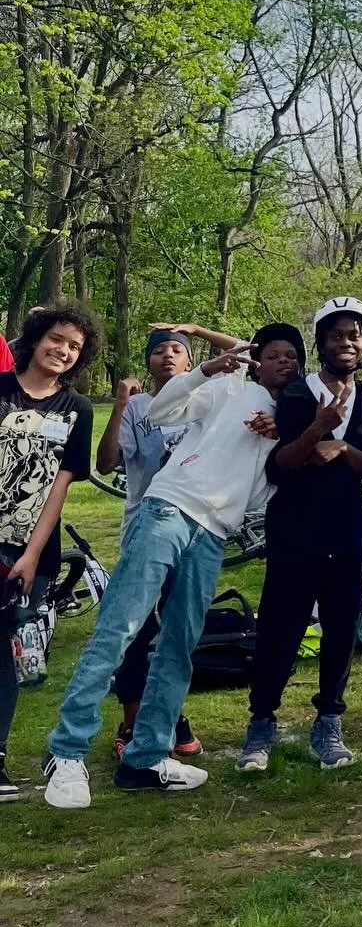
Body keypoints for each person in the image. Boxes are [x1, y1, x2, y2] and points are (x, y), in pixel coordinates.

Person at [43, 324, 303, 809]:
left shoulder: (289, 418)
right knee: (120, 627)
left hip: (213, 533)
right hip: (169, 509)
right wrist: (204, 369)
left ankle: (146, 757)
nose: (284, 361)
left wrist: (277, 440)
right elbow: (162, 412)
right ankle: (66, 750)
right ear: (257, 360)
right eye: (274, 353)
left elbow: (260, 497)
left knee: (180, 644)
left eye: (293, 355)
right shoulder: (229, 387)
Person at [237, 299, 362, 775]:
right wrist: (317, 430)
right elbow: (280, 464)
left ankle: (328, 720)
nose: (346, 343)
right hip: (294, 530)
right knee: (281, 630)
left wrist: (342, 445)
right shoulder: (297, 396)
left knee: (341, 630)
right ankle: (262, 721)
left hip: (346, 532)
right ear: (320, 342)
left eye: (355, 335)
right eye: (336, 335)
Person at [105, 324, 248, 762]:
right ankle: (132, 719)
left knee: (179, 630)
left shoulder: (209, 396)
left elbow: (247, 350)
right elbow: (106, 460)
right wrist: (119, 404)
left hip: (197, 529)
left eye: (177, 350)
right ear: (147, 362)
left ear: (190, 361)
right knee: (136, 631)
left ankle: (170, 717)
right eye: (159, 351)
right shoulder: (140, 406)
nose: (168, 356)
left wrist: (198, 331)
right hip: (145, 531)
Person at [0, 305, 100, 800]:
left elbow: (60, 489)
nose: (62, 350)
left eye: (74, 346)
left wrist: (31, 556)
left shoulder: (77, 409)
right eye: (56, 339)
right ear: (36, 338)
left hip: (29, 551)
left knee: (6, 654)